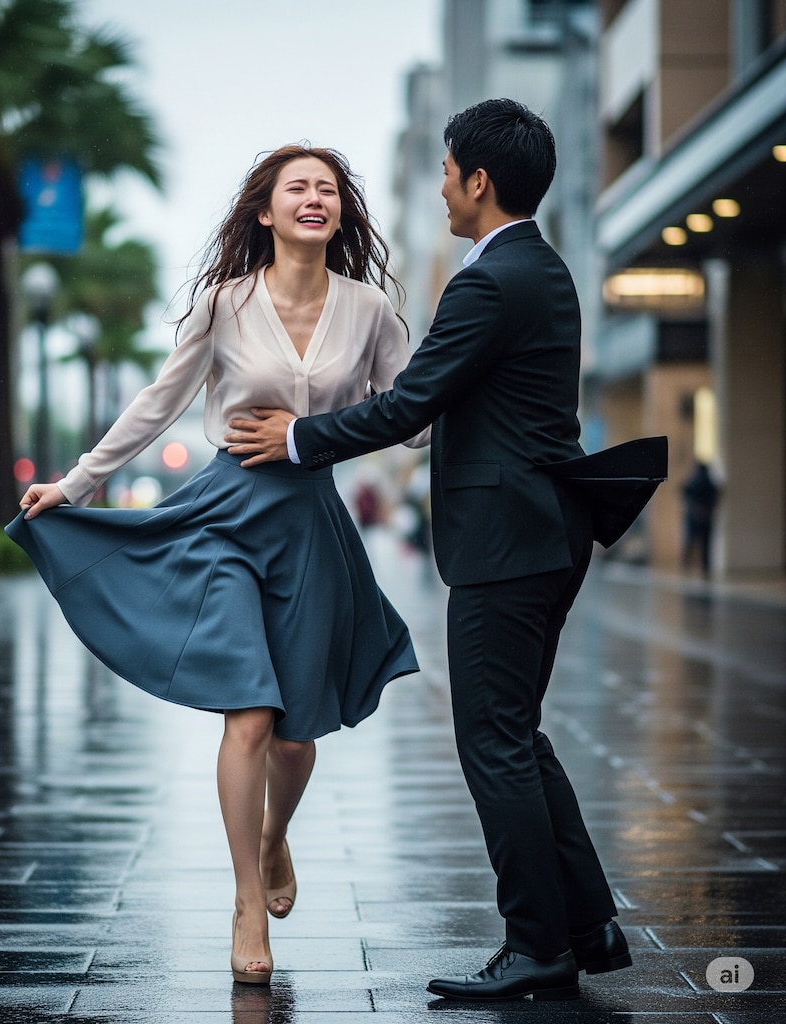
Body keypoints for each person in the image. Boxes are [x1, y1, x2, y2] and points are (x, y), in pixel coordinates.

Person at [225, 99, 633, 1002]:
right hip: (538, 531)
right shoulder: (541, 267)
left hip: (508, 541)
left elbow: (410, 404)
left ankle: (537, 945)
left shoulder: (490, 281)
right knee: (517, 737)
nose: (443, 186)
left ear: (480, 181)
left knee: (492, 742)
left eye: (449, 172)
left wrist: (297, 438)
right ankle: (586, 922)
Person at [7, 145, 429, 986]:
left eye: (328, 189)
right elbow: (156, 403)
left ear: (340, 214)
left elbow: (413, 423)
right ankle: (245, 900)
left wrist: (363, 420)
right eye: (296, 188)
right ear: (265, 213)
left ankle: (274, 840)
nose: (315, 198)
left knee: (298, 737)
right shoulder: (225, 303)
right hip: (227, 516)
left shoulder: (371, 310)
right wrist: (79, 481)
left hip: (312, 523)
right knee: (250, 715)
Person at [681, 460, 719, 576]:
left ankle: (689, 564)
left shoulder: (696, 481)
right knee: (703, 543)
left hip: (697, 517)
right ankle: (702, 566)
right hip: (702, 516)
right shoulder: (705, 482)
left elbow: (685, 493)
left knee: (692, 541)